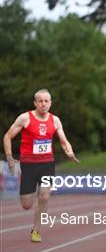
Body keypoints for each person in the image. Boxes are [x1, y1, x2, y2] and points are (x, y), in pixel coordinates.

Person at [3, 89, 79, 242]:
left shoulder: (55, 120)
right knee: (26, 204)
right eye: (40, 101)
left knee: (44, 196)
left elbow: (63, 140)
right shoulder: (25, 118)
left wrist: (69, 152)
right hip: (29, 165)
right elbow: (7, 136)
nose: (43, 104)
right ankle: (27, 199)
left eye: (46, 101)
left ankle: (36, 230)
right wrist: (10, 157)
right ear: (35, 103)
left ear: (50, 103)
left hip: (47, 164)